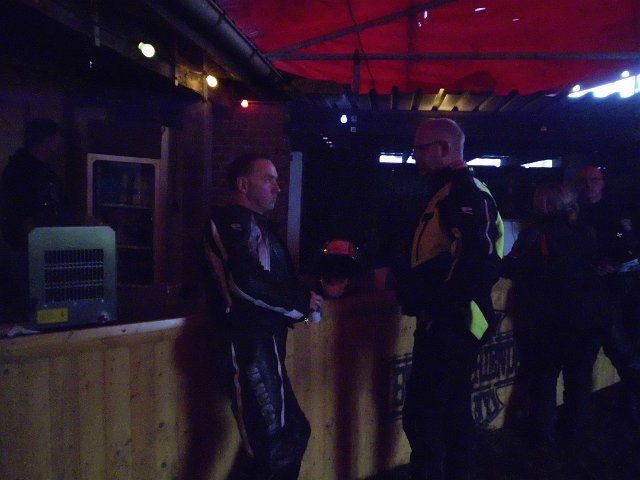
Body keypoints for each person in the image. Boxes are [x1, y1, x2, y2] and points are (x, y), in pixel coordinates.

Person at [203, 153, 323, 480]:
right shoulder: (231, 222)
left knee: (291, 435)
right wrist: (300, 302)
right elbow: (245, 282)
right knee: (276, 448)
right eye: (268, 179)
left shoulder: (256, 227)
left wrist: (314, 293)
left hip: (263, 345)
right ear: (243, 185)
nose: (277, 187)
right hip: (245, 346)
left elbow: (273, 284)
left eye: (276, 180)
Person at [399, 118, 504, 480]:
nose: (414, 156)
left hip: (452, 324)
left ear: (444, 148)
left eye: (419, 149)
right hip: (453, 321)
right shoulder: (451, 191)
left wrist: (437, 310)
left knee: (425, 415)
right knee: (450, 412)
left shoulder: (463, 193)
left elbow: (479, 263)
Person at [506, 182, 608, 471]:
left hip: (548, 324)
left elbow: (511, 267)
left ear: (544, 205)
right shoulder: (585, 232)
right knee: (579, 383)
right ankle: (573, 441)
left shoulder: (534, 236)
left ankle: (544, 446)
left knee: (543, 383)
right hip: (586, 323)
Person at [575, 165, 640, 424]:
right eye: (584, 181)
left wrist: (617, 262)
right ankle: (578, 422)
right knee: (583, 361)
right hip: (587, 297)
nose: (589, 185)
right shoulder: (571, 214)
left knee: (626, 356)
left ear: (602, 183)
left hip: (620, 294)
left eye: (594, 180)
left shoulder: (615, 213)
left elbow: (628, 245)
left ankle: (630, 411)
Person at [0, 118, 67, 322]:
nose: (61, 144)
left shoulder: (40, 171)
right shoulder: (23, 171)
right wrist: (32, 237)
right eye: (57, 139)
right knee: (29, 306)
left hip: (38, 249)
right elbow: (19, 212)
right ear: (47, 140)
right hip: (26, 251)